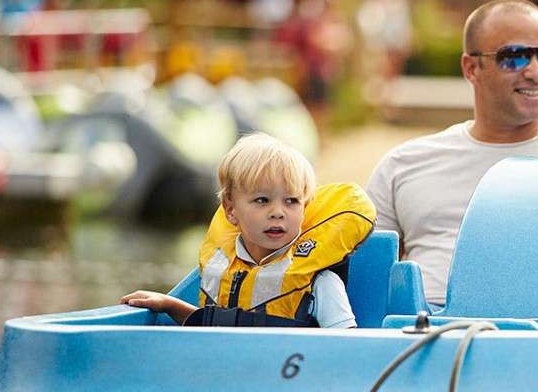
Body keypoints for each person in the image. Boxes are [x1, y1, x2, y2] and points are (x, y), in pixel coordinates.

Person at [365, 0, 538, 307]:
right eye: (514, 57)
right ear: (471, 68)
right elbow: (368, 282)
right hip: (427, 327)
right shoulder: (404, 165)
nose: (536, 72)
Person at [122, 133, 374, 328]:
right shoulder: (222, 267)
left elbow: (346, 344)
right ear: (231, 210)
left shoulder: (321, 282)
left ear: (304, 208)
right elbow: (216, 324)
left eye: (291, 201)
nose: (278, 212)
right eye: (262, 200)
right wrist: (169, 305)